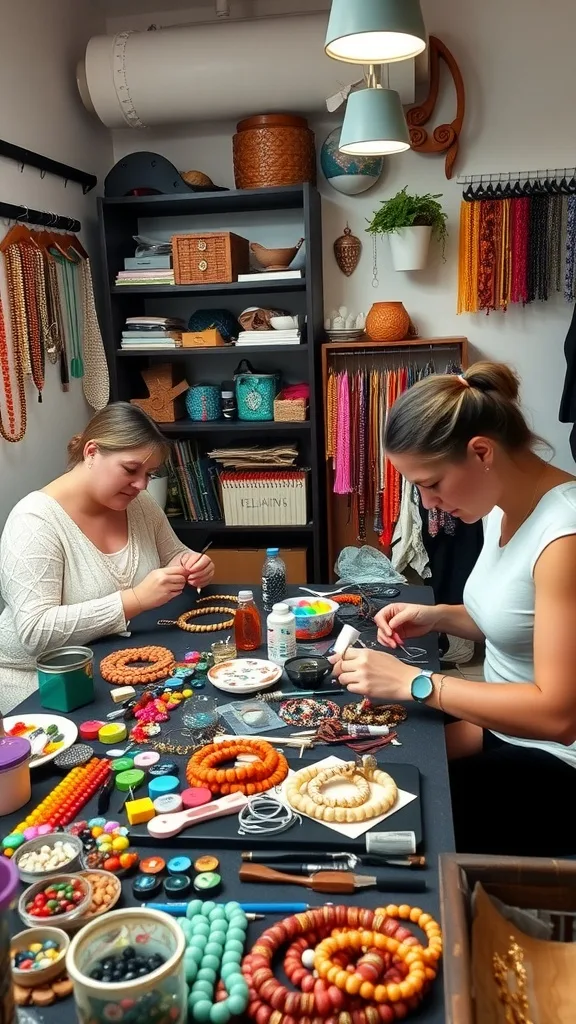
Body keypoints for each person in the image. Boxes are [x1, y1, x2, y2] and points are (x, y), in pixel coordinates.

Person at [331, 361, 576, 857]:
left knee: (392, 826)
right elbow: (520, 623)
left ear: (481, 452)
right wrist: (438, 615)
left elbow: (558, 715)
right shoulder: (500, 506)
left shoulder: (564, 536)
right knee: (362, 752)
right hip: (504, 728)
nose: (429, 502)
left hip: (555, 755)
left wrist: (417, 683)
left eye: (432, 483)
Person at [0, 403, 215, 714]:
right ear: (91, 452)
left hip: (111, 661)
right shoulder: (35, 522)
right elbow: (35, 631)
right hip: (39, 684)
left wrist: (194, 564)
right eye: (130, 470)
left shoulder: (138, 504)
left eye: (149, 474)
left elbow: (174, 554)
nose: (142, 484)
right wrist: (135, 600)